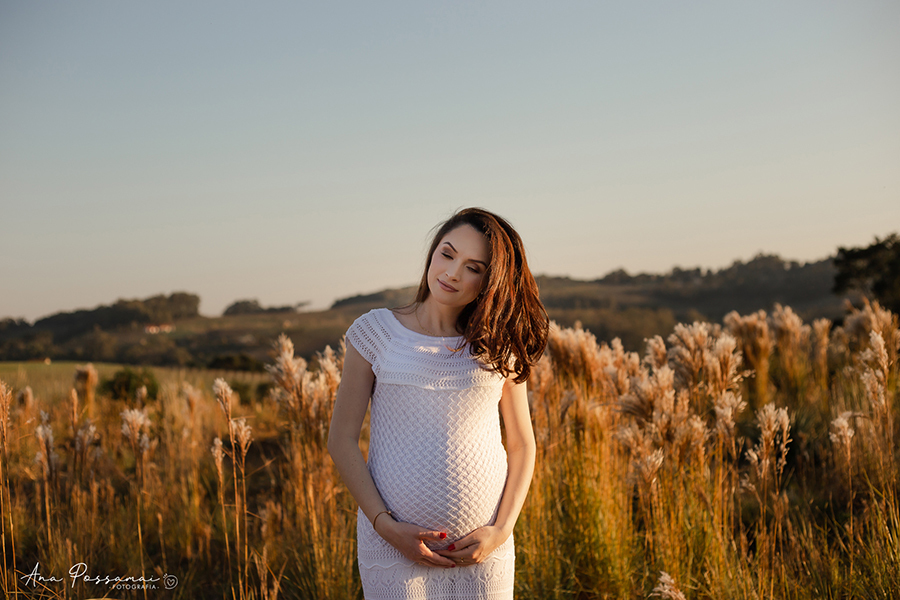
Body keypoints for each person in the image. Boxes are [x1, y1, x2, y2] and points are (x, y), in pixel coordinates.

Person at [327, 207, 549, 600]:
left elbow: (521, 443)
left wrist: (501, 531)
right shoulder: (376, 332)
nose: (452, 273)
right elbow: (341, 440)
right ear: (432, 252)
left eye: (473, 267)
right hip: (394, 547)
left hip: (483, 553)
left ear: (489, 281)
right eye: (447, 254)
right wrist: (385, 525)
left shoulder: (497, 346)